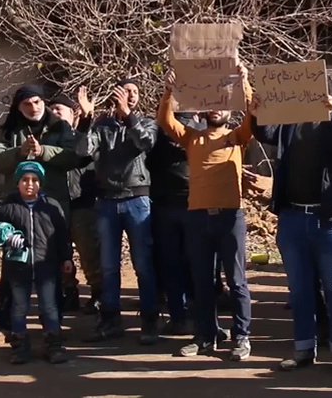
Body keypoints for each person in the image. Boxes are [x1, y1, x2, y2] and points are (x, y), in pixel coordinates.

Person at [250, 91, 332, 376]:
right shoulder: (289, 122)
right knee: (299, 290)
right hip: (294, 217)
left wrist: (330, 115)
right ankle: (303, 349)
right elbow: (266, 133)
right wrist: (256, 112)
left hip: (330, 221)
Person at [159, 67, 254, 360]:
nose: (216, 109)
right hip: (198, 217)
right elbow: (165, 121)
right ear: (203, 111)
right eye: (211, 105)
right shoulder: (192, 138)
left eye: (222, 105)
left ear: (229, 112)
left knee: (236, 280)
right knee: (201, 280)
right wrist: (169, 91)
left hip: (230, 217)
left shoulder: (238, 136)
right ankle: (205, 336)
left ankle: (241, 338)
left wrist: (244, 81)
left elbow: (255, 113)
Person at [0, 85, 77, 349]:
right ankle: (5, 326)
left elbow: (73, 157)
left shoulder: (60, 127)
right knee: (13, 268)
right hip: (18, 207)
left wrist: (43, 152)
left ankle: (53, 327)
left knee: (53, 269)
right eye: (26, 104)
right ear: (18, 106)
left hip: (51, 206)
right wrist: (19, 152)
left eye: (37, 102)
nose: (33, 108)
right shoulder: (9, 128)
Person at [76, 80, 160, 344]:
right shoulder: (101, 126)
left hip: (137, 199)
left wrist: (129, 116)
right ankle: (110, 319)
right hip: (107, 201)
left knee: (143, 264)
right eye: (126, 92)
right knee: (109, 265)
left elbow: (146, 143)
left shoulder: (146, 122)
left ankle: (149, 321)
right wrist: (86, 118)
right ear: (116, 95)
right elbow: (82, 151)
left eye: (134, 93)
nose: (130, 96)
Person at [0, 162, 73, 364]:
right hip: (17, 269)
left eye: (34, 180)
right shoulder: (7, 208)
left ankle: (53, 344)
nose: (29, 184)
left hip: (47, 267)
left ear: (40, 184)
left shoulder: (52, 207)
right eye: (25, 180)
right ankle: (19, 346)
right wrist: (5, 236)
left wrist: (66, 257)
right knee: (19, 307)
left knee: (49, 306)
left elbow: (62, 235)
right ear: (17, 182)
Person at [148, 100, 207, 337]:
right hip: (184, 204)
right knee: (193, 263)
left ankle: (180, 316)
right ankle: (194, 316)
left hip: (174, 204)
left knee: (173, 263)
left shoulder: (161, 131)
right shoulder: (200, 130)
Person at [48, 94, 102, 315]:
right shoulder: (46, 138)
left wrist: (86, 119)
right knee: (60, 252)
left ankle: (99, 293)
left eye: (59, 109)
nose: (54, 113)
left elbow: (88, 153)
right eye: (51, 109)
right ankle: (68, 291)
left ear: (74, 113)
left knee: (89, 251)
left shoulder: (85, 135)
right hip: (56, 202)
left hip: (83, 201)